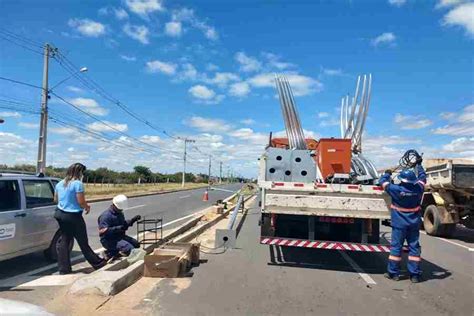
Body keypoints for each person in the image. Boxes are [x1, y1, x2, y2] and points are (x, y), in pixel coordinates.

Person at [378, 152, 426, 283]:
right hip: (414, 223)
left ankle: (393, 273)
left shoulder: (396, 189)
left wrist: (387, 173)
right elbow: (423, 177)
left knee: (396, 248)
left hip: (399, 224)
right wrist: (419, 166)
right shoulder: (418, 189)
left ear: (402, 180)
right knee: (414, 248)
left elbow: (382, 182)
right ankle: (414, 275)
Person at [54, 163, 106, 274]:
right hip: (73, 216)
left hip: (60, 214)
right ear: (80, 172)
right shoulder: (77, 184)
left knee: (65, 239)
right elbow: (80, 201)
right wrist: (87, 207)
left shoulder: (59, 183)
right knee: (83, 241)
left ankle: (64, 269)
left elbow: (56, 199)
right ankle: (98, 263)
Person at [97, 195, 141, 261]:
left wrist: (132, 220)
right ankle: (109, 253)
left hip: (120, 236)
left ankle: (117, 251)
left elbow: (123, 224)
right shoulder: (106, 216)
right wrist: (118, 228)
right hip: (109, 240)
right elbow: (103, 231)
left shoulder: (119, 213)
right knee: (130, 249)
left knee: (136, 244)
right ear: (114, 205)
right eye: (119, 209)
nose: (121, 210)